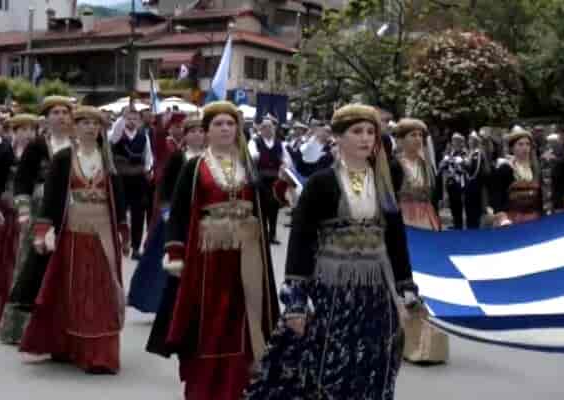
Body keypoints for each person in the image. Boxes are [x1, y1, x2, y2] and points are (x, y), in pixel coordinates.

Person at [246, 104, 420, 399]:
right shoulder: (321, 183)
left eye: (370, 132)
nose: (365, 138)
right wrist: (297, 300)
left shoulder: (385, 181)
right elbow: (301, 240)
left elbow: (395, 237)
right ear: (338, 137)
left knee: (375, 360)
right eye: (357, 131)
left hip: (377, 289)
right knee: (329, 362)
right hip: (332, 289)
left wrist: (406, 286)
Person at [149, 101, 279, 399]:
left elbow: (265, 205)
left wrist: (282, 189)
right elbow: (179, 213)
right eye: (218, 124)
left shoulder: (248, 164)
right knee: (209, 318)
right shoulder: (195, 167)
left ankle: (240, 383)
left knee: (243, 315)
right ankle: (205, 385)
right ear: (207, 131)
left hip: (246, 254)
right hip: (208, 257)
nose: (225, 129)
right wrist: (175, 252)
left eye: (230, 124)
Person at [20, 106, 129, 374]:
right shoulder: (64, 158)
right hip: (73, 231)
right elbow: (51, 197)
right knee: (74, 289)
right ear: (75, 127)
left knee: (103, 289)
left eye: (95, 124)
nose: (90, 128)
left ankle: (100, 354)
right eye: (84, 123)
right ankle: (68, 346)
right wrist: (44, 230)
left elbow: (118, 197)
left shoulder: (108, 158)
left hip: (103, 230)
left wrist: (123, 230)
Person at [0, 96, 73, 344]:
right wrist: (23, 209)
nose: (61, 117)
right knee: (30, 266)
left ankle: (61, 328)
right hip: (39, 212)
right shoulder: (38, 146)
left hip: (71, 213)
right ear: (46, 118)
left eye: (65, 112)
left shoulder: (78, 144)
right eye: (55, 113)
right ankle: (18, 329)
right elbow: (22, 180)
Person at [128, 118, 204, 314]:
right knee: (167, 260)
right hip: (177, 218)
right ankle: (159, 302)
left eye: (200, 131)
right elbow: (166, 186)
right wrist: (167, 212)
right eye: (193, 132)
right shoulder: (179, 157)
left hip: (202, 218)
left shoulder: (209, 158)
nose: (197, 135)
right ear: (186, 136)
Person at [392, 118, 449, 364]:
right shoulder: (394, 165)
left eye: (420, 136)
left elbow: (433, 197)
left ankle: (424, 336)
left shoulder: (426, 166)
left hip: (426, 219)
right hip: (404, 220)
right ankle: (401, 335)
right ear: (401, 139)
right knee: (404, 274)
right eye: (412, 135)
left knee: (426, 275)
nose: (417, 140)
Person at [0, 114, 35, 327]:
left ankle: (26, 316)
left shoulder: (41, 155)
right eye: (23, 129)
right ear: (14, 132)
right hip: (8, 216)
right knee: (6, 263)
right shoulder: (4, 154)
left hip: (32, 214)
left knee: (28, 266)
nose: (28, 134)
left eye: (31, 129)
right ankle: (3, 312)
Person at [110, 107, 153, 260]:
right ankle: (119, 243)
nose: (132, 121)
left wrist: (148, 169)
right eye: (129, 118)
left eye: (135, 119)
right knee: (118, 213)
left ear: (139, 121)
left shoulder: (143, 136)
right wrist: (122, 118)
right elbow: (113, 139)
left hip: (138, 179)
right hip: (120, 179)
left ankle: (135, 248)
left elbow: (148, 156)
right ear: (123, 119)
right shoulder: (116, 134)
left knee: (138, 214)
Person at [247, 115, 293, 245]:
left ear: (274, 128)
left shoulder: (280, 143)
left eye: (270, 127)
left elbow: (288, 160)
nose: (267, 129)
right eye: (264, 127)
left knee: (274, 208)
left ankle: (272, 235)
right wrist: (256, 156)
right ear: (260, 129)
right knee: (260, 208)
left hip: (275, 180)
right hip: (260, 180)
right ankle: (260, 235)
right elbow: (251, 156)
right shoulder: (254, 142)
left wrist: (284, 164)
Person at [489, 126, 544, 226]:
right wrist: (502, 218)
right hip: (511, 220)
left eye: (527, 144)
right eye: (520, 144)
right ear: (512, 148)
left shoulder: (535, 169)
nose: (525, 147)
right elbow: (497, 196)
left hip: (534, 219)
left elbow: (539, 198)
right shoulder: (505, 169)